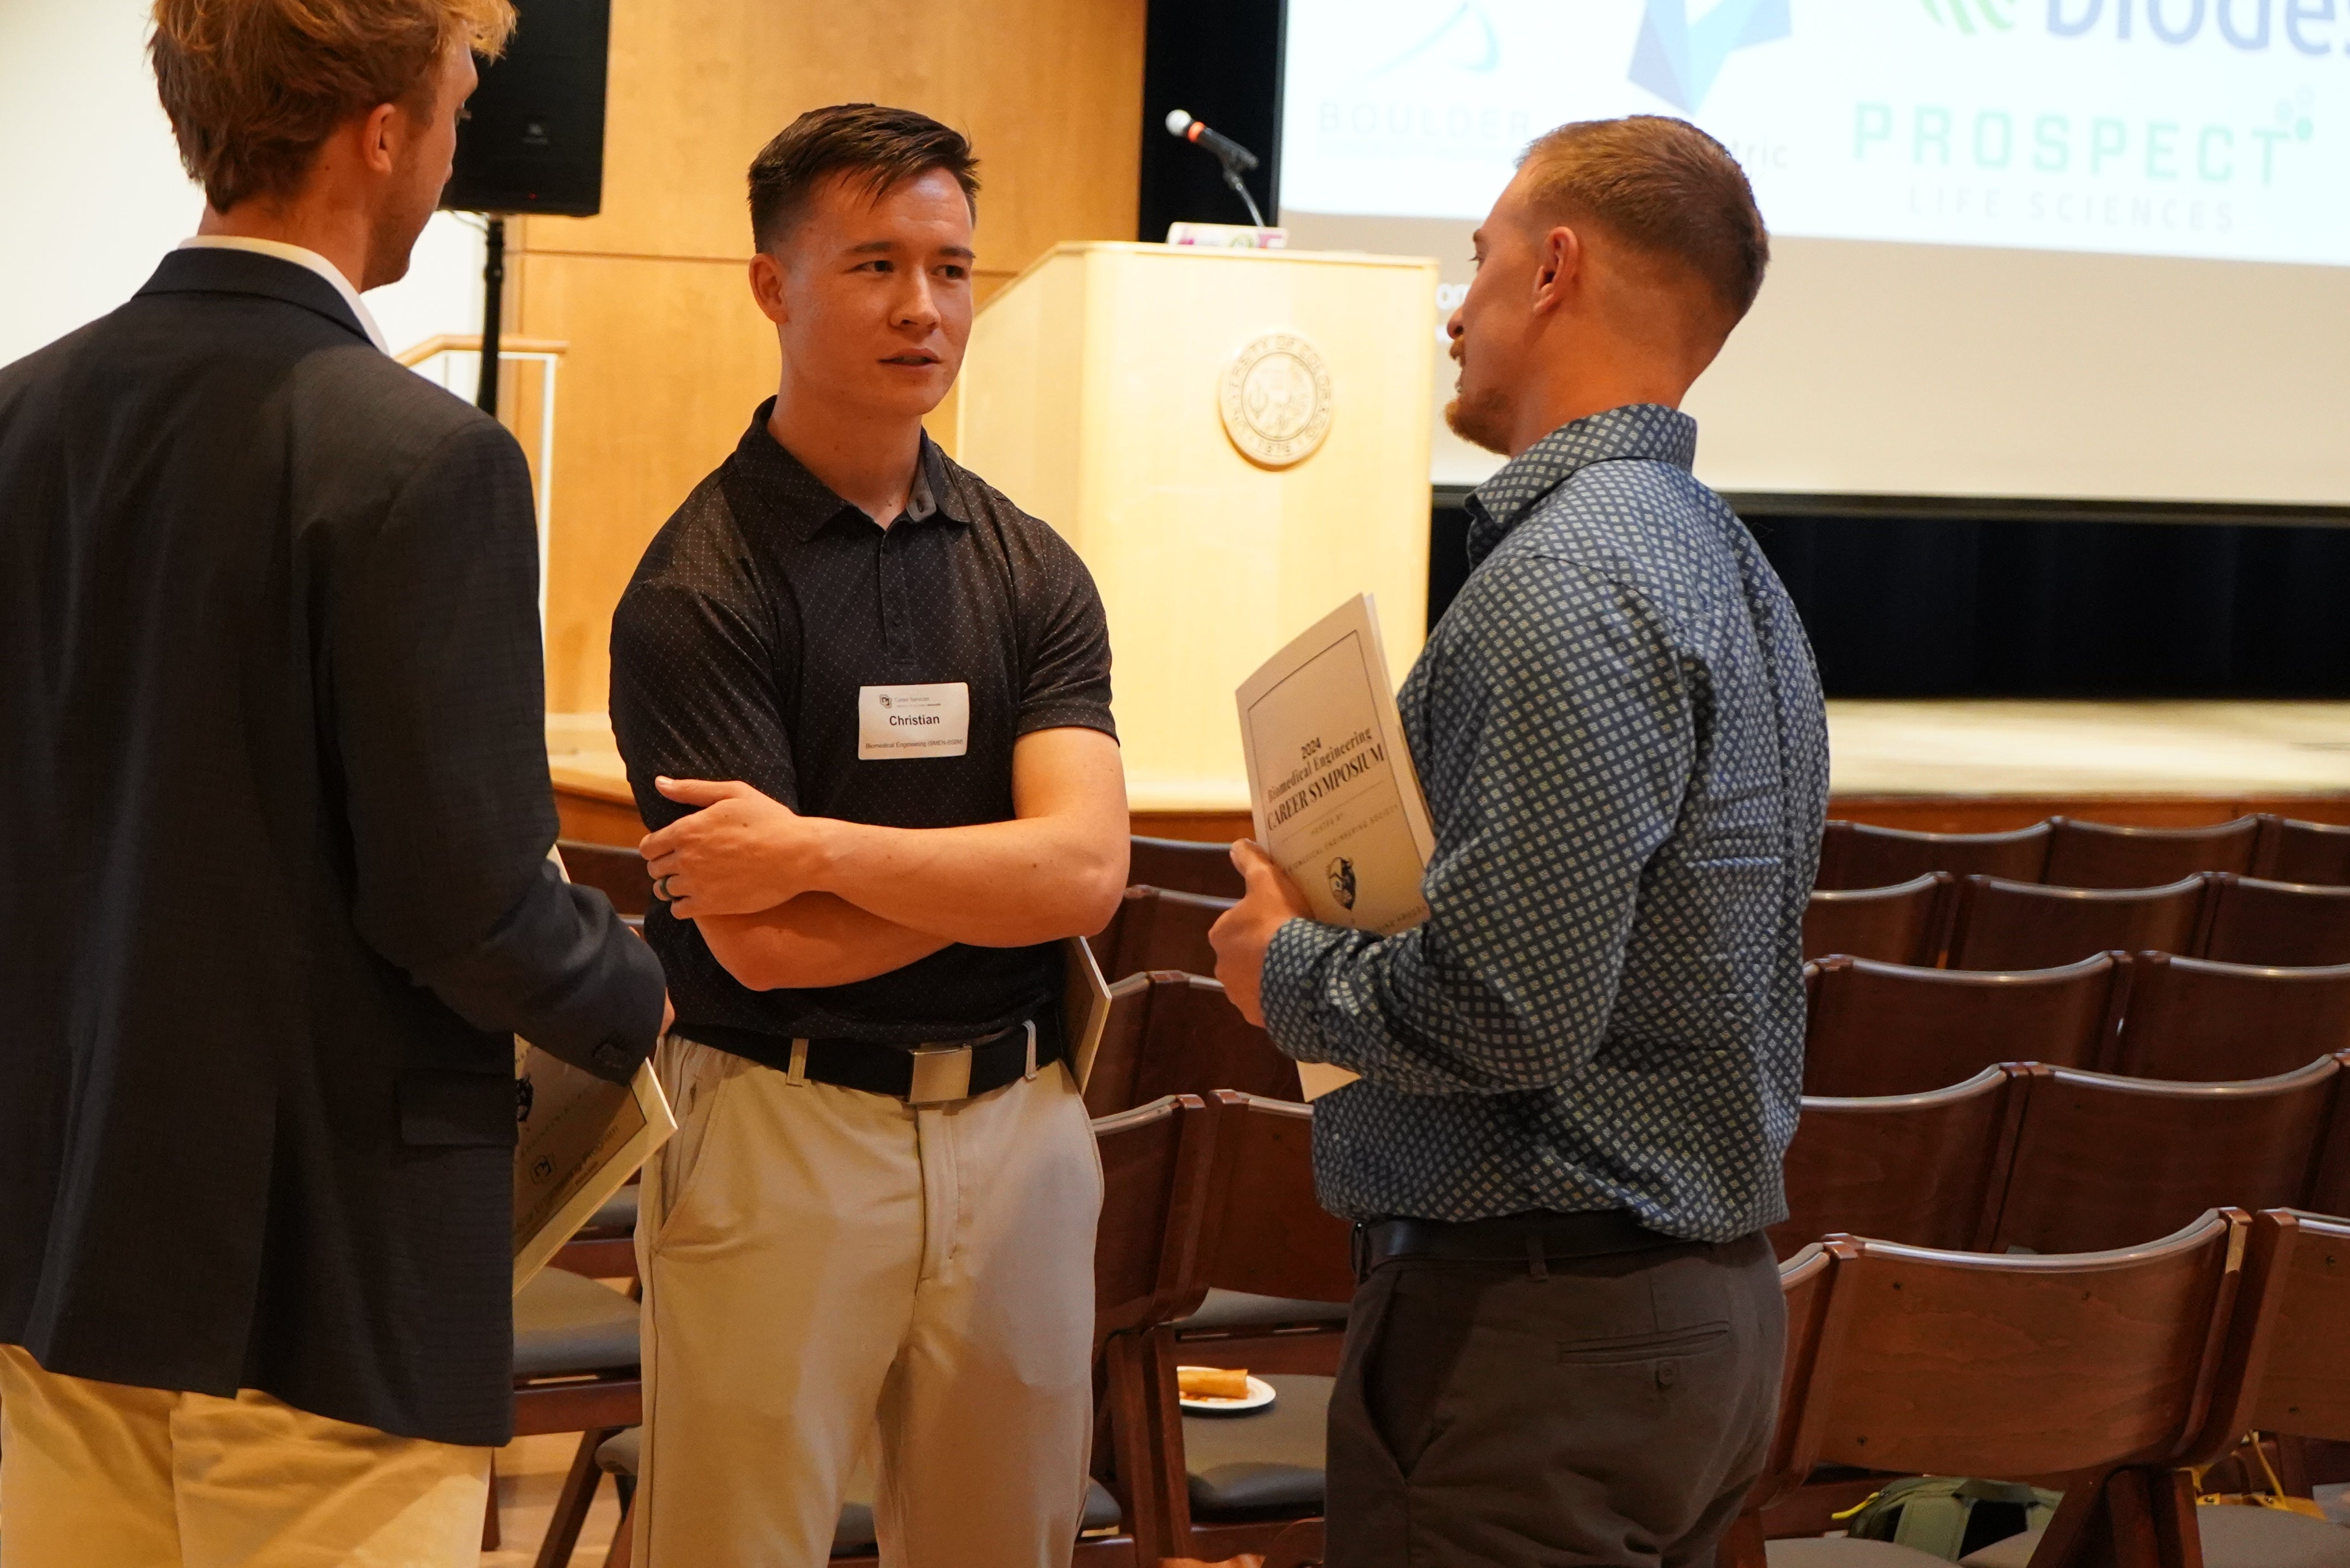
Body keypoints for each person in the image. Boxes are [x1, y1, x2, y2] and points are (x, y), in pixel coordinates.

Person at [0, 0, 666, 1566]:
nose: (452, 158)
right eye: (454, 112)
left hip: (62, 1226)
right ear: (381, 133)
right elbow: (463, 903)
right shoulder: (427, 459)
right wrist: (636, 992)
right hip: (320, 1266)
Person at [1210, 113, 1823, 1568]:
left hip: (1539, 1337)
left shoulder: (1569, 582)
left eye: (1476, 259)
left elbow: (1508, 1009)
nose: (1454, 308)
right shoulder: (1729, 564)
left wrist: (1278, 966)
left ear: (1553, 271)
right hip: (1685, 1323)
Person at [610, 103, 1131, 1568]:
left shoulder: (1031, 566)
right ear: (772, 286)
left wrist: (819, 850)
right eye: (876, 265)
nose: (924, 307)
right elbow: (767, 950)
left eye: (952, 268)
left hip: (1021, 1131)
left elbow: (1087, 874)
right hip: (783, 1126)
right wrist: (998, 879)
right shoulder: (698, 586)